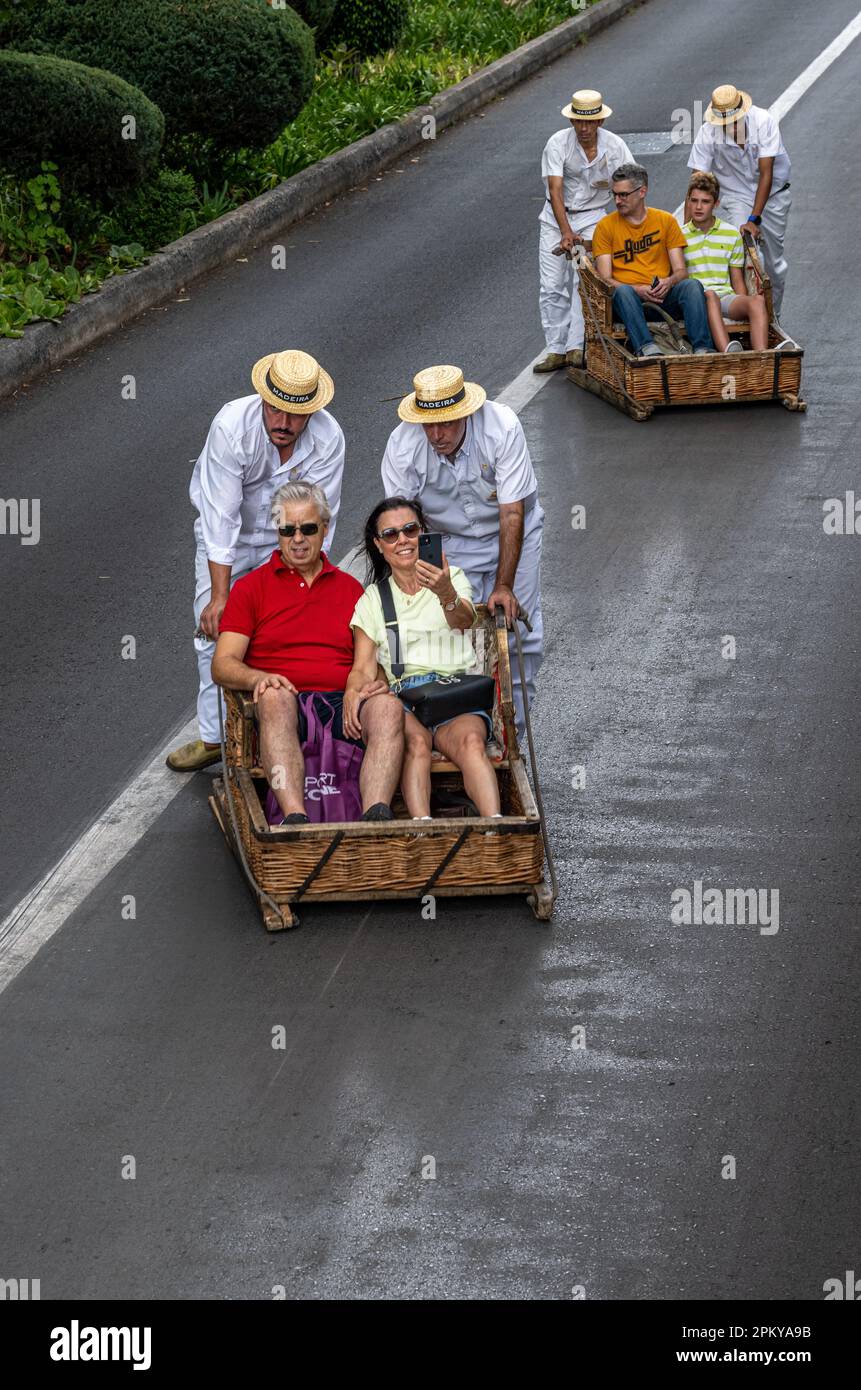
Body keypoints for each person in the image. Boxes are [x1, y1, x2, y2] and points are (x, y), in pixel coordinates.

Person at [167, 349, 345, 772]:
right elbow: (220, 517)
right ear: (263, 400)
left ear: (312, 411)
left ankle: (290, 726)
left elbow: (320, 517)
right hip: (229, 540)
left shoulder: (330, 437)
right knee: (212, 629)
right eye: (275, 410)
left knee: (288, 626)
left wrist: (303, 582)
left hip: (292, 537)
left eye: (295, 415)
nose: (283, 423)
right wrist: (221, 596)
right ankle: (215, 737)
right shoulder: (232, 426)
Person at [211, 482, 404, 824]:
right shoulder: (250, 588)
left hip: (343, 702)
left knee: (388, 707)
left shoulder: (350, 589)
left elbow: (368, 658)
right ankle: (295, 817)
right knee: (273, 696)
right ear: (278, 532)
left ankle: (375, 815)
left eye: (308, 528)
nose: (297, 539)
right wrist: (260, 677)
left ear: (324, 530)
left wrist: (373, 684)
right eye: (287, 530)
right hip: (286, 704)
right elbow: (223, 664)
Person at [380, 364, 543, 737]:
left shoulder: (501, 426)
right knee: (457, 634)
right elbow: (404, 526)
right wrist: (423, 586)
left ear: (465, 412)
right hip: (449, 541)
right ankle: (469, 729)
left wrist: (503, 586)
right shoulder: (403, 446)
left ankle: (511, 736)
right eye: (428, 424)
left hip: (514, 529)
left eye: (446, 424)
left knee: (518, 636)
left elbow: (512, 512)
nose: (436, 435)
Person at [345, 498, 501, 821]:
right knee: (414, 744)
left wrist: (444, 591)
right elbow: (361, 666)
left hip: (455, 689)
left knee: (471, 742)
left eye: (410, 530)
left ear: (423, 534)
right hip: (406, 697)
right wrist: (354, 691)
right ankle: (422, 827)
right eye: (390, 534)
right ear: (379, 545)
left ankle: (494, 827)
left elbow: (463, 621)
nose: (402, 540)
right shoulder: (374, 598)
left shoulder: (452, 576)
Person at [534, 88, 634, 373]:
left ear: (600, 122)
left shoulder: (615, 147)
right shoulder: (557, 144)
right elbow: (555, 190)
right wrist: (566, 232)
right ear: (572, 122)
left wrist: (626, 229)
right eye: (579, 122)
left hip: (593, 220)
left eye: (590, 122)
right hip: (557, 220)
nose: (584, 128)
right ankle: (555, 348)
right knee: (552, 285)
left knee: (585, 282)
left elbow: (629, 186)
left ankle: (577, 346)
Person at [688, 85, 791, 316]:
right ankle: (751, 316)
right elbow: (697, 182)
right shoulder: (707, 132)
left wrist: (754, 219)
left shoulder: (764, 121)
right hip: (737, 198)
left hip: (774, 195)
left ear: (743, 112)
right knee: (749, 256)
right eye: (725, 123)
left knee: (774, 268)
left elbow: (767, 173)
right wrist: (687, 230)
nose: (730, 128)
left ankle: (774, 318)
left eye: (734, 121)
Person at [592, 164, 715, 356]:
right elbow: (605, 279)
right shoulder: (605, 226)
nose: (617, 200)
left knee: (691, 286)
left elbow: (681, 271)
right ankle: (647, 349)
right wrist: (638, 290)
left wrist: (669, 281)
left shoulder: (665, 221)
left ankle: (702, 349)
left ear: (642, 191)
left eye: (623, 194)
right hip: (629, 303)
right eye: (614, 194)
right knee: (623, 291)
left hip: (661, 297)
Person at [682, 173, 769, 352]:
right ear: (688, 202)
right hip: (698, 299)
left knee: (757, 301)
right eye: (694, 201)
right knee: (710, 296)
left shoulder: (730, 234)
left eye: (705, 202)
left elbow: (736, 279)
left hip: (725, 297)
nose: (698, 207)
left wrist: (743, 301)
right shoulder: (678, 235)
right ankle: (727, 353)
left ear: (716, 204)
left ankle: (762, 357)